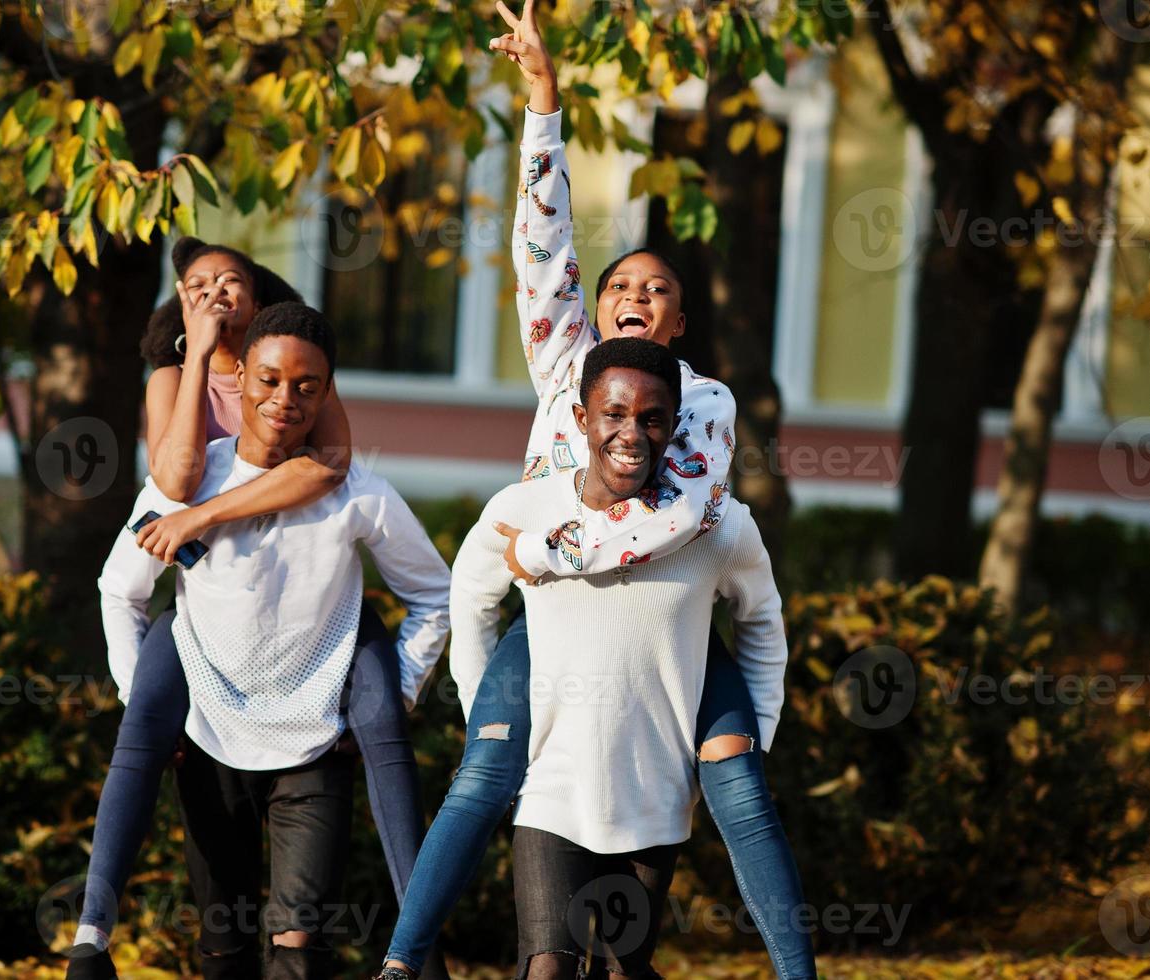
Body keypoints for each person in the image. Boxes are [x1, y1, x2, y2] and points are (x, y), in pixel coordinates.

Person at [374, 4, 816, 977]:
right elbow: (543, 247)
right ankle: (402, 961)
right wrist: (543, 97)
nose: (637, 294)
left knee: (737, 782)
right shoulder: (564, 367)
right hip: (558, 624)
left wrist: (550, 545)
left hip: (673, 627)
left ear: (680, 321)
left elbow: (676, 516)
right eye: (622, 282)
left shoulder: (703, 401)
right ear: (597, 306)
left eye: (659, 289)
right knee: (487, 770)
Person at [66, 239, 451, 980]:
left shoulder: (357, 491)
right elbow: (121, 591)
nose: (284, 399)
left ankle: (417, 954)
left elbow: (433, 593)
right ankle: (91, 934)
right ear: (238, 382)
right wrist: (138, 695)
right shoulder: (184, 487)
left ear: (327, 394)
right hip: (210, 738)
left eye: (307, 388)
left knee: (297, 953)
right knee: (224, 951)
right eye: (269, 381)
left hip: (313, 746)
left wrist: (399, 685)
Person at [451, 338, 789, 979]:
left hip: (655, 795)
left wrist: (759, 734)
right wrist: (486, 726)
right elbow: (470, 601)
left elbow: (764, 626)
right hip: (552, 789)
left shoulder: (716, 525)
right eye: (614, 414)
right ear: (582, 418)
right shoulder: (529, 508)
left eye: (652, 418)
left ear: (674, 424)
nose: (632, 433)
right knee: (548, 967)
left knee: (623, 970)